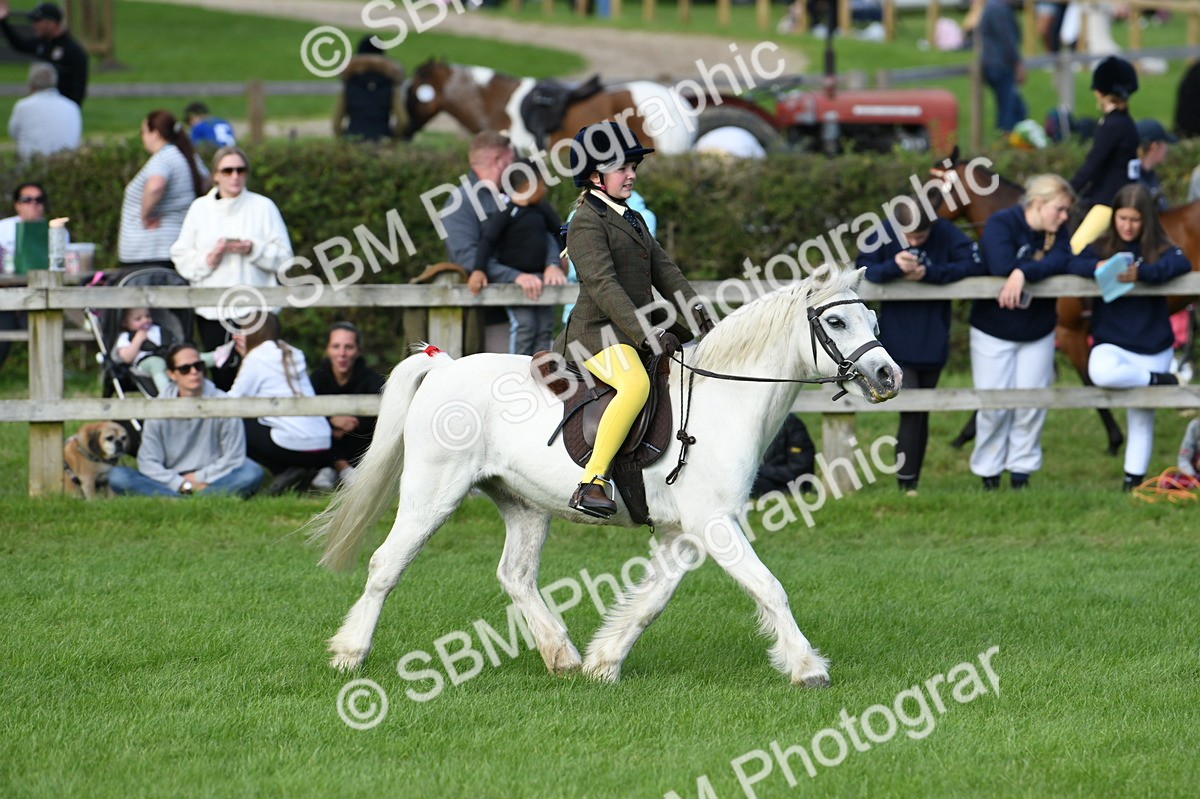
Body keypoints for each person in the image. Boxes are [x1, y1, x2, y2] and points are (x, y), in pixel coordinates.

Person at [558, 121, 715, 517]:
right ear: (595, 175)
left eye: (633, 167)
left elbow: (668, 274)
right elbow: (604, 287)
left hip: (630, 332)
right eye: (621, 167)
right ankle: (592, 481)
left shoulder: (632, 218)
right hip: (596, 336)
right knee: (633, 384)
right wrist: (648, 333)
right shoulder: (585, 223)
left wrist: (704, 322)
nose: (631, 174)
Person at [1066, 184, 1191, 490]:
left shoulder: (1159, 247)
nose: (1128, 225)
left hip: (1152, 342)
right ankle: (1161, 379)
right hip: (1112, 341)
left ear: (1145, 219)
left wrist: (1143, 274)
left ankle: (1131, 483)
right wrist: (1095, 267)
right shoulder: (1101, 245)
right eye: (1122, 218)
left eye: (1135, 219)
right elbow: (1072, 262)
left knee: (1141, 417)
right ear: (1114, 216)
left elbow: (1181, 263)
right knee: (1099, 371)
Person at [858, 200, 984, 495]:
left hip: (934, 335)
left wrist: (931, 272)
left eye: (921, 238)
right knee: (911, 410)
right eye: (910, 238)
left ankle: (911, 480)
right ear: (898, 228)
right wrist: (895, 267)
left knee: (923, 411)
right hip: (895, 338)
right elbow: (864, 270)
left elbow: (975, 264)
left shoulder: (945, 231)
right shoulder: (882, 232)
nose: (915, 243)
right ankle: (907, 484)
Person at [969, 174, 1075, 490]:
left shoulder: (1057, 232)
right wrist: (1016, 270)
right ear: (1038, 203)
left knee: (1032, 403)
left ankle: (1021, 473)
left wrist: (1023, 271)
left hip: (1038, 330)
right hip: (993, 329)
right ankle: (988, 473)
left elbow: (1063, 259)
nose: (1065, 216)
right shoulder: (1002, 223)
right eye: (1059, 209)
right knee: (994, 404)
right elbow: (1000, 263)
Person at [171, 145, 292, 391]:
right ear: (215, 174)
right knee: (223, 380)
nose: (235, 176)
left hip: (258, 311)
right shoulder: (200, 209)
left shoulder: (263, 207)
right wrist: (209, 259)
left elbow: (286, 260)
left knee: (263, 379)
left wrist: (253, 249)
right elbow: (181, 257)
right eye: (227, 171)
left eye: (240, 170)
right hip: (214, 312)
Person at [446, 131, 565, 353]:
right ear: (499, 161)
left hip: (536, 297)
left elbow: (544, 233)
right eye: (513, 161)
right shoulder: (460, 203)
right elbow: (468, 258)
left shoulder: (524, 194)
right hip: (491, 317)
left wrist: (552, 263)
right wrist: (516, 277)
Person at [107, 343, 263, 498]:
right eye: (185, 369)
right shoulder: (159, 406)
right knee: (118, 476)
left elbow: (234, 457)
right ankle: (199, 499)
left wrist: (197, 478)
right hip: (169, 478)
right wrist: (180, 483)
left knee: (251, 472)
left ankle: (176, 500)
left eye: (198, 366)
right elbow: (147, 461)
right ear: (172, 374)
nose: (194, 372)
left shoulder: (223, 402)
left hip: (213, 477)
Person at [227, 311, 332, 495]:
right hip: (322, 443)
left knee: (235, 423)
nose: (239, 334)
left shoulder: (256, 357)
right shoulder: (292, 352)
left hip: (294, 446)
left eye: (243, 329)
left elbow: (232, 402)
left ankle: (283, 472)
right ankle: (297, 473)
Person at [472, 160, 564, 355]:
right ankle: (519, 370)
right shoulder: (506, 212)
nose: (545, 189)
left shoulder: (542, 209)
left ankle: (543, 373)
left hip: (541, 280)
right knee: (525, 326)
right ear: (528, 186)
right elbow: (487, 242)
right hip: (515, 284)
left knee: (545, 328)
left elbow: (559, 233)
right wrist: (478, 270)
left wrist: (555, 263)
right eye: (541, 184)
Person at [118, 109, 208, 274]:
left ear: (156, 133)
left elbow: (155, 186)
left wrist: (145, 215)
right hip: (176, 246)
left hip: (146, 251)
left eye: (143, 131)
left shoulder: (163, 159)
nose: (142, 137)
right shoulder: (188, 157)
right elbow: (207, 182)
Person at [1069, 56, 1139, 249]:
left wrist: (1068, 190)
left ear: (1099, 93)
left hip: (1109, 201)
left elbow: (1093, 164)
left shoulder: (1112, 125)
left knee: (1076, 246)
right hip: (1121, 193)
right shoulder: (1126, 122)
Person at [309, 321, 385, 490]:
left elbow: (387, 413)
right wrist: (331, 420)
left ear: (358, 350)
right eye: (336, 346)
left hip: (359, 442)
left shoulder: (372, 379)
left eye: (348, 347)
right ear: (327, 350)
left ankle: (340, 471)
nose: (342, 353)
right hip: (328, 442)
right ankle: (341, 470)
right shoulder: (316, 379)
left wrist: (354, 422)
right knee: (317, 431)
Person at [0, 182, 56, 371]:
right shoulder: (3, 229)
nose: (33, 204)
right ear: (17, 204)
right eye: (27, 199)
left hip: (42, 294)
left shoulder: (56, 231)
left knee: (45, 323)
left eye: (39, 200)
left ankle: (48, 371)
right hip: (6, 295)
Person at [115, 306, 227, 396]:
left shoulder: (156, 329)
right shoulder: (126, 337)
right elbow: (126, 358)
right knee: (156, 363)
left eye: (147, 316)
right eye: (138, 319)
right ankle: (166, 392)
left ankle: (216, 357)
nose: (145, 320)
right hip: (145, 362)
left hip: (166, 355)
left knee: (187, 358)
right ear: (125, 323)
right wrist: (137, 341)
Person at [0, 2, 88, 106]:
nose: (34, 26)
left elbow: (78, 90)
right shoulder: (42, 44)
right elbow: (19, 44)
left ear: (52, 23)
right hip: (40, 105)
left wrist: (70, 111)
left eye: (38, 21)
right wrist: (3, 21)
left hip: (62, 108)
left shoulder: (73, 51)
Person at [332, 35, 406, 143]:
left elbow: (336, 122)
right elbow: (402, 121)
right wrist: (393, 140)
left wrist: (345, 140)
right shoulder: (390, 86)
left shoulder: (349, 85)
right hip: (382, 142)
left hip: (354, 142)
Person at [7, 61, 80, 159]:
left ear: (31, 85)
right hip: (65, 166)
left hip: (32, 167)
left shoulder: (23, 106)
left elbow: (14, 134)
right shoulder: (72, 106)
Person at [980, 0, 1026, 133]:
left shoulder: (992, 6)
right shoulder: (999, 9)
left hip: (994, 63)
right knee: (1009, 111)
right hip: (1000, 65)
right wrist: (1017, 63)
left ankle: (1008, 140)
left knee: (1014, 108)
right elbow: (1007, 39)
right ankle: (1006, 142)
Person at [751, 414, 816, 498]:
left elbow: (799, 470)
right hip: (762, 478)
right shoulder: (749, 426)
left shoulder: (792, 425)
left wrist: (759, 470)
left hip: (787, 485)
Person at [1128, 118, 1177, 212]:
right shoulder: (1134, 178)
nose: (1166, 149)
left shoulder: (1149, 175)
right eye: (1164, 144)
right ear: (1154, 146)